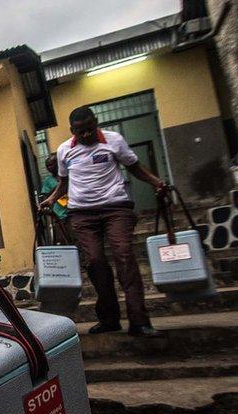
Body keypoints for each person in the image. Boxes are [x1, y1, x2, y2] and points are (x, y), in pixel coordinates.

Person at [40, 106, 167, 337]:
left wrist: (156, 182)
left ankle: (139, 321)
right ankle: (109, 319)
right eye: (81, 131)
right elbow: (64, 182)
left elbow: (134, 167)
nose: (86, 135)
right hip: (81, 214)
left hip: (115, 208)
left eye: (90, 129)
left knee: (124, 256)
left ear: (96, 123)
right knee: (96, 263)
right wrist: (51, 199)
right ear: (72, 130)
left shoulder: (114, 140)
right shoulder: (64, 150)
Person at [41, 153, 68, 221]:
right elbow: (46, 197)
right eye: (47, 166)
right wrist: (60, 186)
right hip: (59, 215)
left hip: (74, 211)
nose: (49, 168)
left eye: (51, 165)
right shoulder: (48, 181)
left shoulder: (68, 175)